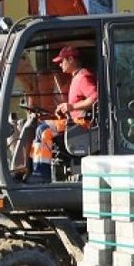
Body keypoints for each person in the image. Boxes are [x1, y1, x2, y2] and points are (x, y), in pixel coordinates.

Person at [29, 46, 98, 181]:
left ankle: (42, 174)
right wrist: (66, 111)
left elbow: (95, 98)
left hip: (82, 125)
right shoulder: (76, 77)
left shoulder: (83, 77)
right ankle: (34, 169)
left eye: (62, 61)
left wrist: (71, 107)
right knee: (40, 125)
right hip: (75, 122)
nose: (60, 64)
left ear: (71, 59)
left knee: (43, 130)